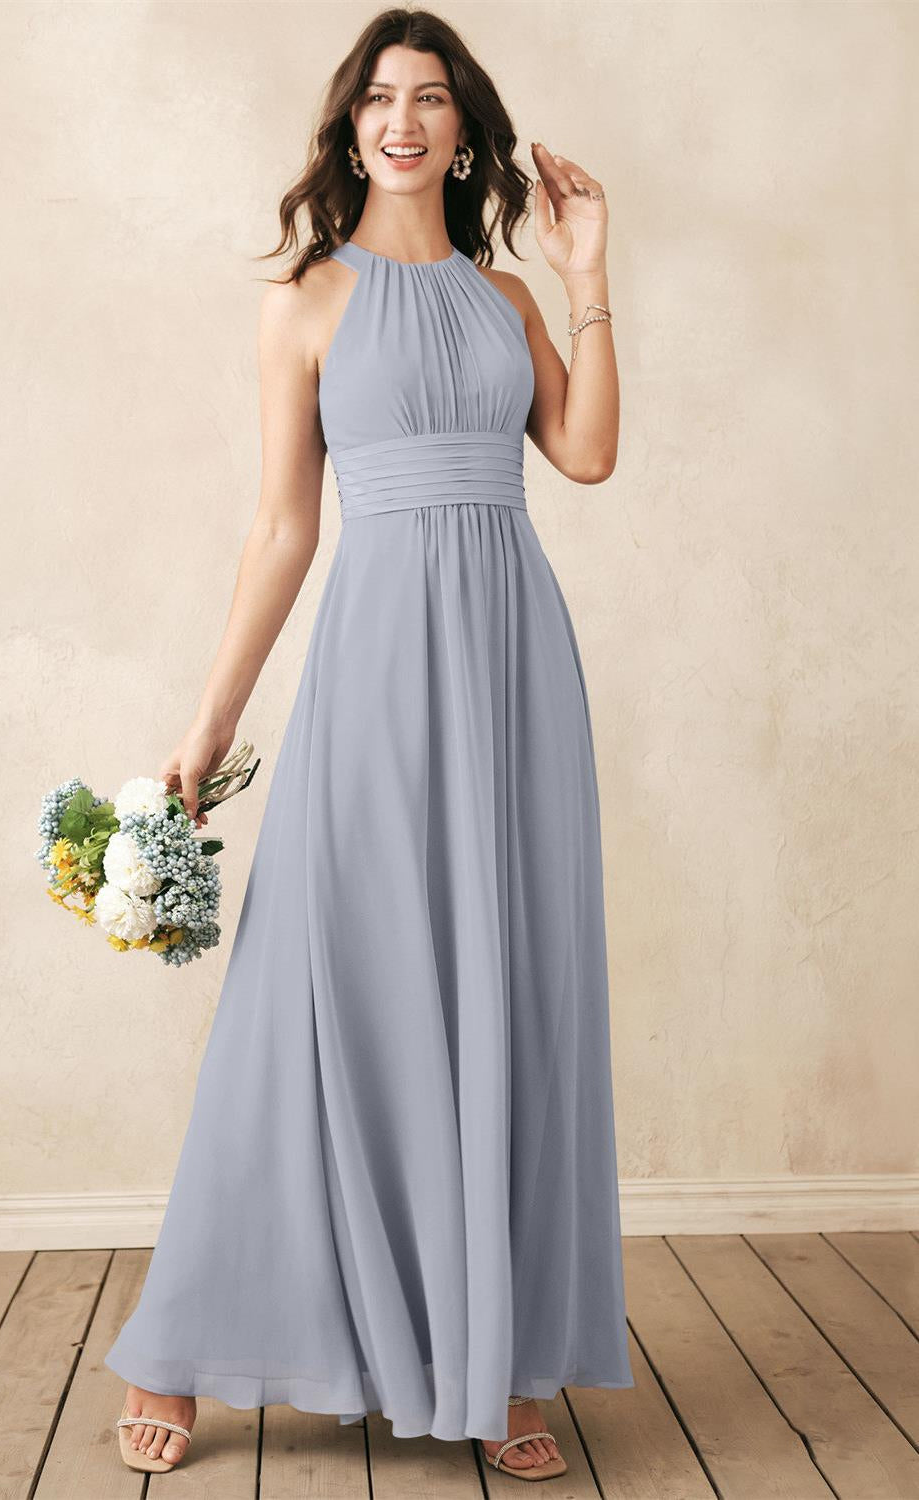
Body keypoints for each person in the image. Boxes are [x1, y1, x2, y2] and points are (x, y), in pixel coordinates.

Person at [106, 6, 632, 1483]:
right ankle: (178, 1345)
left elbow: (583, 454)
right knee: (319, 990)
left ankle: (497, 1357)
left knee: (506, 992)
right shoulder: (305, 302)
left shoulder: (505, 297)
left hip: (516, 667)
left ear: (467, 129)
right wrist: (207, 725)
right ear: (350, 129)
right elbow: (283, 531)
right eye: (378, 99)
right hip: (377, 667)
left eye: (431, 98)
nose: (403, 120)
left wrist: (587, 279)